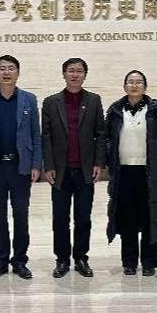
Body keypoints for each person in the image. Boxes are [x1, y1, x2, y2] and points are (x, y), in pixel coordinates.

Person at [0, 55, 42, 280]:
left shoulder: (29, 99)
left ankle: (20, 261)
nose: (6, 72)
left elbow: (36, 134)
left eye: (11, 68)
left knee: (21, 215)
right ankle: (0, 261)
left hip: (21, 167)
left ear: (18, 73)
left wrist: (36, 163)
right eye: (2, 68)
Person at [41, 57, 106, 278]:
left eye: (79, 71)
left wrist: (98, 163)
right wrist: (48, 165)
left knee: (83, 217)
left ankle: (80, 257)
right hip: (60, 171)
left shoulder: (94, 100)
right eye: (71, 70)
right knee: (60, 218)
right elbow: (46, 136)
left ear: (85, 75)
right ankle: (61, 259)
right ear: (64, 74)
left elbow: (100, 134)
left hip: (85, 170)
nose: (75, 74)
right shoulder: (51, 102)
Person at [105, 70, 157, 276]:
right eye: (131, 82)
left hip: (149, 172)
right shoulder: (115, 111)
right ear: (124, 86)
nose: (134, 85)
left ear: (145, 86)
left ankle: (149, 263)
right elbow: (107, 138)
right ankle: (129, 262)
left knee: (149, 217)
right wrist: (109, 155)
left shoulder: (156, 110)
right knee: (127, 219)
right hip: (124, 173)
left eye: (139, 82)